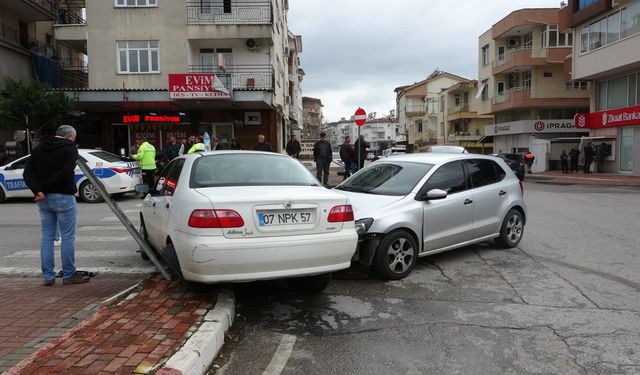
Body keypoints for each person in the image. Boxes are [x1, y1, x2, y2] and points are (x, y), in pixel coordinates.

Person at [23, 125, 90, 286]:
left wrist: (38, 190)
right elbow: (66, 172)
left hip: (43, 198)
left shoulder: (39, 149)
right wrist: (46, 187)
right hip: (63, 196)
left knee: (47, 236)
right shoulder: (70, 149)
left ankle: (48, 276)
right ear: (70, 137)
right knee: (67, 236)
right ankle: (68, 274)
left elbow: (28, 172)